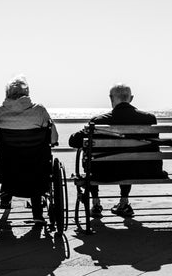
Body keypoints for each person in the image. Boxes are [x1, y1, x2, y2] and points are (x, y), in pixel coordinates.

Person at [69, 83, 166, 218]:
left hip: (104, 173)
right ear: (131, 98)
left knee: (89, 153)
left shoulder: (98, 122)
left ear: (111, 98)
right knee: (129, 159)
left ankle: (96, 203)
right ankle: (124, 202)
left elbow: (73, 141)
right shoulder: (149, 119)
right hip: (143, 171)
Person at [0, 75, 59, 223]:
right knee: (34, 161)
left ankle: (5, 198)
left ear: (7, 94)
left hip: (8, 170)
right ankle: (37, 214)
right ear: (27, 93)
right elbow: (53, 139)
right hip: (36, 170)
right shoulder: (40, 111)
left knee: (9, 159)